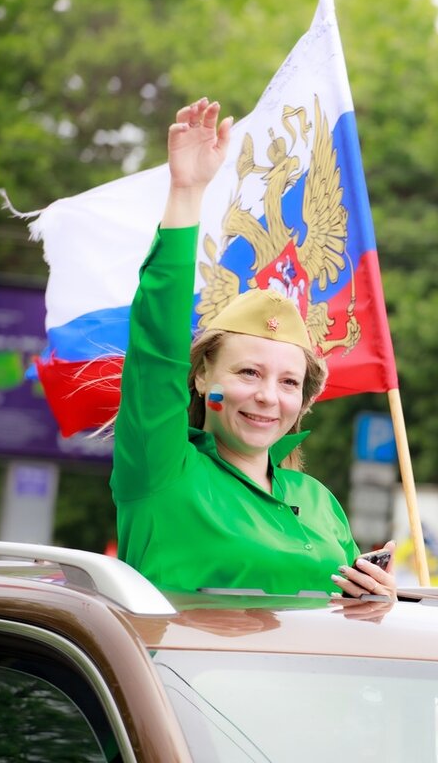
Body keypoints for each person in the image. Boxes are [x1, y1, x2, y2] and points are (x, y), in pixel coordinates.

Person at [110, 97, 395, 603]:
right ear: (201, 377)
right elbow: (156, 345)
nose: (268, 396)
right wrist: (186, 191)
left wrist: (378, 604)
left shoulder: (319, 502)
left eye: (288, 382)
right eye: (247, 373)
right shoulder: (161, 473)